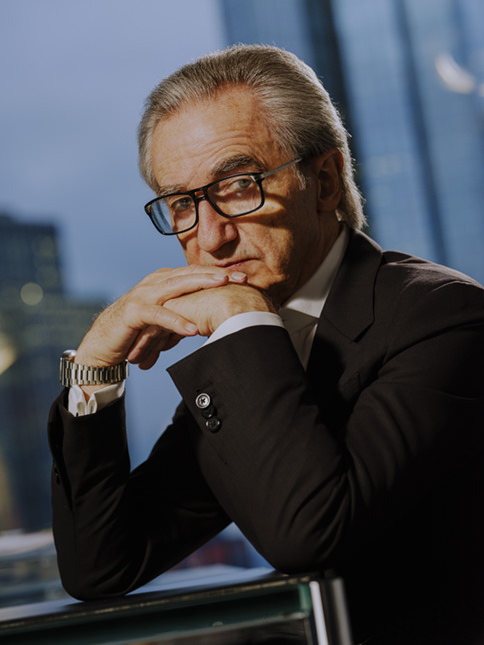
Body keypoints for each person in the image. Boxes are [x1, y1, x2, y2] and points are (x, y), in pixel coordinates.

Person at [48, 44, 484, 644]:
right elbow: (101, 564)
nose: (210, 238)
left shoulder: (447, 318)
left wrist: (240, 319)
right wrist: (96, 366)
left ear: (324, 182)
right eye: (182, 204)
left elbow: (312, 537)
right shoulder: (256, 347)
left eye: (237, 185)